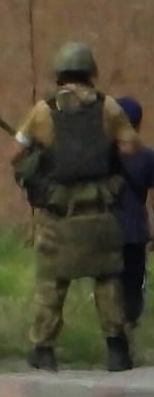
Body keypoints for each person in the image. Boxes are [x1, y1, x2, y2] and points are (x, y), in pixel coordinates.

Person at [12, 42, 140, 372]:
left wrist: (43, 156)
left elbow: (15, 156)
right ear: (90, 72)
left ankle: (43, 350)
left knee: (52, 283)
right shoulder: (108, 106)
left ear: (59, 74)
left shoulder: (43, 110)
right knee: (108, 280)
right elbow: (129, 148)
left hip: (59, 213)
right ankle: (117, 350)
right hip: (100, 211)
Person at [115, 96, 154, 328]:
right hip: (136, 230)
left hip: (108, 229)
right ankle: (129, 327)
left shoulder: (105, 156)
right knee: (133, 283)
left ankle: (115, 332)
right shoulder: (148, 157)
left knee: (110, 282)